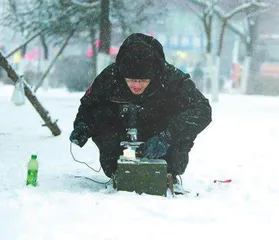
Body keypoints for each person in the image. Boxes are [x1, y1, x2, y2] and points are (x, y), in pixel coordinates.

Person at [70, 33, 212, 189]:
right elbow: (90, 105)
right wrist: (83, 126)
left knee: (173, 158)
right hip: (120, 137)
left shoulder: (173, 79)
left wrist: (167, 138)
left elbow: (202, 110)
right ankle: (117, 170)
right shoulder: (110, 77)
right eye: (131, 80)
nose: (136, 86)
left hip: (162, 137)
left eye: (143, 80)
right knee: (102, 116)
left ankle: (168, 171)